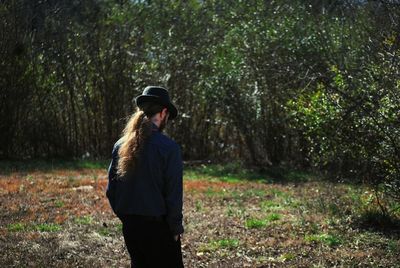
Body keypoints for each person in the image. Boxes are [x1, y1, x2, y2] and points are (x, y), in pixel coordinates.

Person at [106, 86, 184, 268]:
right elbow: (173, 195)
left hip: (131, 228)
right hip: (159, 229)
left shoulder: (120, 145)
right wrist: (175, 228)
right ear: (164, 112)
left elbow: (112, 191)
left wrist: (127, 217)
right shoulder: (169, 148)